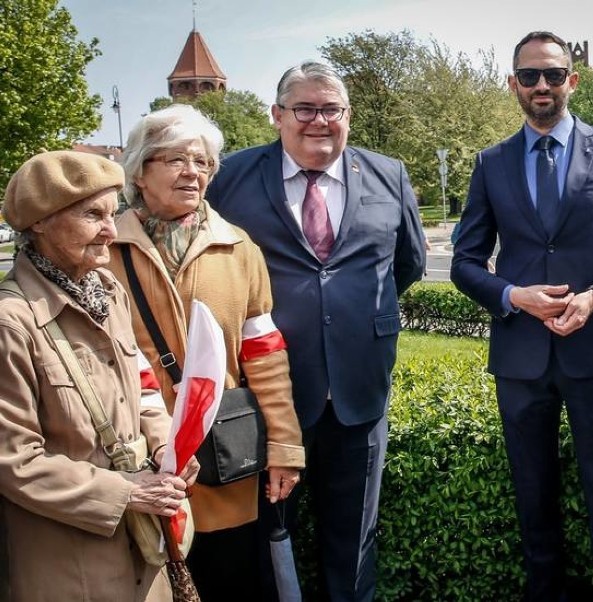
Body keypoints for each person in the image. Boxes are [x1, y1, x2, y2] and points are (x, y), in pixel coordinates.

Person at [450, 31, 593, 601]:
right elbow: (465, 263)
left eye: (551, 74)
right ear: (514, 84)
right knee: (533, 498)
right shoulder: (490, 162)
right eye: (529, 76)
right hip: (520, 356)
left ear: (572, 79)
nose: (541, 85)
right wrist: (513, 296)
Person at [206, 62, 426, 601]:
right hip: (266, 398)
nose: (319, 121)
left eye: (332, 110)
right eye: (304, 109)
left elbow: (409, 264)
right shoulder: (231, 177)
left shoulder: (387, 174)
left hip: (360, 390)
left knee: (353, 545)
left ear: (348, 116)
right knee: (265, 540)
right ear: (277, 115)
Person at [109, 104, 305, 602]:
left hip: (223, 463)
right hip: (132, 460)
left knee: (230, 581)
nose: (193, 171)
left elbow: (264, 356)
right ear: (140, 171)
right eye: (175, 159)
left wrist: (283, 447)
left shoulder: (238, 248)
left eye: (202, 162)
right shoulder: (104, 248)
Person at [0, 151, 197, 601]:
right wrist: (126, 492)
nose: (111, 230)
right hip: (67, 567)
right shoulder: (11, 322)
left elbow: (143, 389)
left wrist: (169, 446)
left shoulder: (108, 294)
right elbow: (13, 462)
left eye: (114, 213)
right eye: (93, 215)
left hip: (142, 554)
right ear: (39, 223)